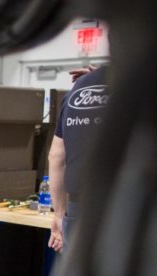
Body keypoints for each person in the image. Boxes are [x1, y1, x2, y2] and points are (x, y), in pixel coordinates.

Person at [47, 65, 109, 253]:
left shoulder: (77, 90)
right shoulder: (140, 84)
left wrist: (58, 215)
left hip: (77, 209)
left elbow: (56, 156)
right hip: (127, 207)